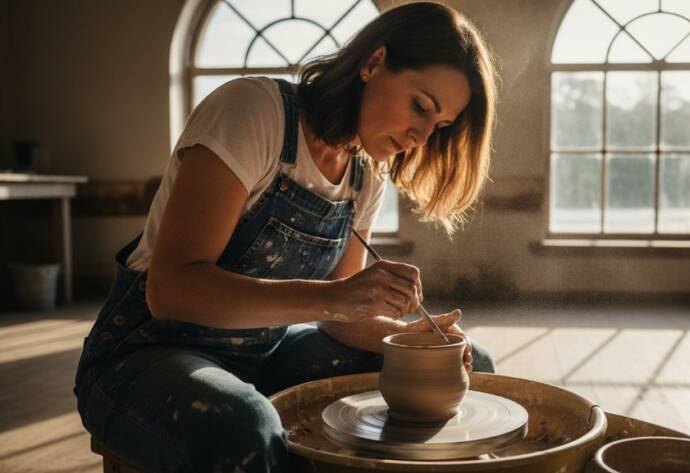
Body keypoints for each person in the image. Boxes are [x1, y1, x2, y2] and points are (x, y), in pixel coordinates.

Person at [74, 2, 499, 472]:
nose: (421, 136)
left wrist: (405, 336)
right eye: (420, 106)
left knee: (467, 361)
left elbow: (339, 317)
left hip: (264, 354)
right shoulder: (252, 112)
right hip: (146, 354)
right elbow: (170, 290)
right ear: (374, 62)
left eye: (438, 126)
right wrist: (335, 297)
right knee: (244, 425)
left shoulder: (366, 175)